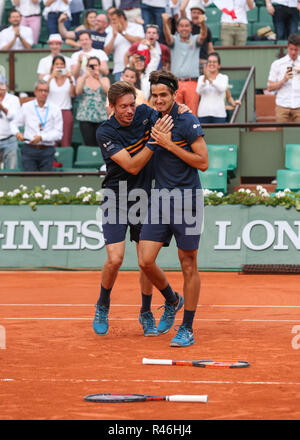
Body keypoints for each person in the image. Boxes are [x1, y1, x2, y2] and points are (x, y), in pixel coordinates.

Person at [94, 80, 175, 337]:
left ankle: (146, 312)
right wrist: (153, 142)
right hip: (115, 197)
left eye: (132, 105)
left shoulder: (144, 113)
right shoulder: (105, 132)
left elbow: (167, 112)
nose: (129, 111)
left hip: (145, 197)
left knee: (145, 262)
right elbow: (131, 166)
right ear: (112, 107)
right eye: (123, 107)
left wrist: (180, 108)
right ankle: (102, 305)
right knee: (115, 259)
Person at [138, 70, 209, 347]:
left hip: (188, 200)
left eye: (164, 95)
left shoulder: (187, 120)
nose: (158, 100)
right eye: (154, 95)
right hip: (159, 200)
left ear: (174, 94)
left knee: (188, 263)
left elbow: (203, 161)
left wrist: (168, 144)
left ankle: (187, 328)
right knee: (145, 260)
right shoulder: (149, 117)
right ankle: (172, 299)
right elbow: (122, 108)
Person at [11, 80, 63, 171]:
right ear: (35, 92)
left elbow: (58, 133)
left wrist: (42, 137)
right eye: (40, 90)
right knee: (29, 180)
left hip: (47, 149)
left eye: (46, 91)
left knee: (46, 182)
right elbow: (13, 123)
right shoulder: (26, 107)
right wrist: (17, 133)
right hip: (29, 149)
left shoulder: (55, 109)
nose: (43, 93)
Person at [162, 13, 207, 115]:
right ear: (177, 28)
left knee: (192, 115)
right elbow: (167, 36)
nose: (184, 28)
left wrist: (203, 23)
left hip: (192, 82)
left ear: (191, 28)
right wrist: (165, 22)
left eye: (187, 26)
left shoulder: (195, 39)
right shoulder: (174, 39)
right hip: (176, 83)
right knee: (174, 115)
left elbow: (203, 35)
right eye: (181, 26)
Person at [75, 57, 110, 146]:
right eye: (91, 65)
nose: (93, 67)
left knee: (101, 145)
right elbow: (78, 92)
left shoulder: (105, 79)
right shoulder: (81, 79)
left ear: (99, 66)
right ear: (87, 67)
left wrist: (99, 79)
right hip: (85, 116)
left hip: (101, 116)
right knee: (89, 144)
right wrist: (84, 77)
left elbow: (108, 92)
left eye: (96, 65)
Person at [104, 8, 144, 82]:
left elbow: (139, 42)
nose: (112, 22)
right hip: (119, 69)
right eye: (111, 20)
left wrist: (122, 32)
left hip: (137, 68)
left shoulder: (137, 27)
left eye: (114, 19)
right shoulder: (111, 31)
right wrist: (114, 36)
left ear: (122, 18)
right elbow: (106, 52)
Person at [267, 33, 300, 122]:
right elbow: (270, 87)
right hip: (282, 106)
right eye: (291, 49)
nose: (293, 52)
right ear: (287, 47)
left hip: (299, 106)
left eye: (296, 50)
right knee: (281, 135)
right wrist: (284, 80)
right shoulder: (277, 64)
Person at [44, 55, 75, 147]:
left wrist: (70, 79)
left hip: (65, 110)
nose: (59, 66)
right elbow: (43, 92)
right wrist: (51, 77)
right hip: (51, 111)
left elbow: (73, 95)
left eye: (61, 64)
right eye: (57, 64)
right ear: (53, 66)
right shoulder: (47, 78)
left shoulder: (70, 78)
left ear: (65, 66)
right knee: (51, 141)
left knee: (66, 140)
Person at [180, 0, 214, 74]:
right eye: (194, 13)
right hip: (188, 63)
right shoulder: (187, 28)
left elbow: (210, 49)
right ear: (190, 14)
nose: (196, 15)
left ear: (202, 15)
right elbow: (182, 9)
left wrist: (212, 63)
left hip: (202, 64)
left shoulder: (207, 29)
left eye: (198, 13)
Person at [196, 52, 229, 123]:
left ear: (219, 65)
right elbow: (198, 91)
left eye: (214, 62)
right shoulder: (201, 78)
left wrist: (210, 80)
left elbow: (222, 88)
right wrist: (205, 78)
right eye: (210, 62)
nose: (212, 64)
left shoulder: (224, 77)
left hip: (219, 114)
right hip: (203, 114)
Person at [0, 76, 21, 170]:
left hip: (9, 139)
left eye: (1, 84)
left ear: (6, 86)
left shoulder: (14, 99)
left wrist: (3, 108)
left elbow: (15, 117)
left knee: (12, 170)